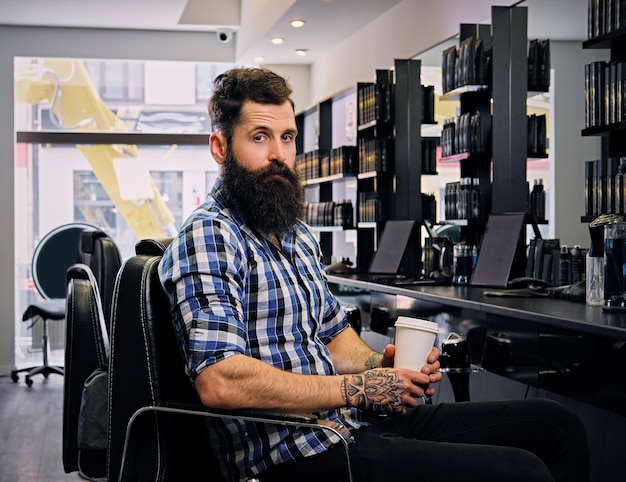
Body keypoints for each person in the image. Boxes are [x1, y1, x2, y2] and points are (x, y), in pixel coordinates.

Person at [159, 67, 589, 482]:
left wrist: (382, 367)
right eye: (259, 137)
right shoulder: (211, 234)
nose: (278, 155)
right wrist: (359, 390)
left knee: (555, 425)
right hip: (294, 456)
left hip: (352, 425)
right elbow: (220, 380)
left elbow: (332, 335)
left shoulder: (293, 234)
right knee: (522, 471)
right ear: (219, 148)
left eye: (286, 137)